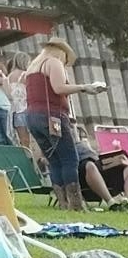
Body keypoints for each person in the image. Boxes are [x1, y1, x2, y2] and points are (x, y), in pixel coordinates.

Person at [21, 35, 105, 209]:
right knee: (69, 159)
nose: (65, 63)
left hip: (32, 117)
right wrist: (84, 87)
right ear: (62, 53)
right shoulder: (53, 62)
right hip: (52, 116)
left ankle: (62, 202)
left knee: (54, 160)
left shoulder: (32, 67)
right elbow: (59, 88)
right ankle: (75, 203)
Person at [73, 122, 128, 210]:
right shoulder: (65, 146)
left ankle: (127, 201)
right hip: (83, 172)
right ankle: (111, 203)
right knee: (90, 165)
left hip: (100, 166)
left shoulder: (87, 147)